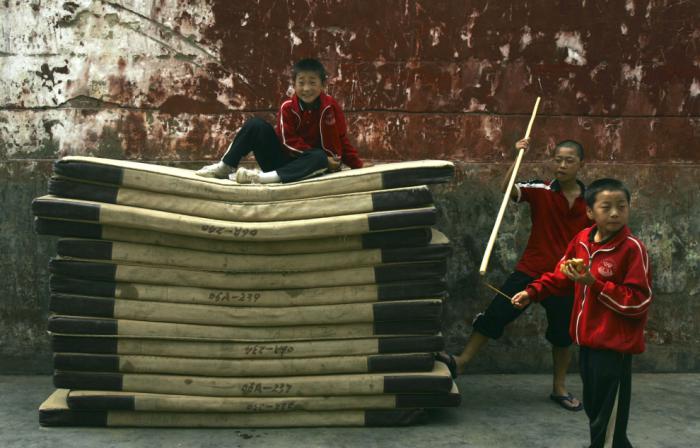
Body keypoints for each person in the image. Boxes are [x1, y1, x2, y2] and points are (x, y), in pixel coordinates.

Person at [441, 138, 591, 411]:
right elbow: (507, 188)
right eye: (558, 159)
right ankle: (461, 363)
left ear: (581, 164)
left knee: (562, 335)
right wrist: (517, 154)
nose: (562, 165)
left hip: (566, 276)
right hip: (531, 270)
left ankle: (559, 388)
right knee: (496, 314)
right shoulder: (541, 189)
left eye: (569, 160)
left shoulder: (590, 200)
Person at [512, 178, 652, 447]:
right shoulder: (582, 241)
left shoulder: (632, 249)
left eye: (621, 206)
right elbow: (561, 274)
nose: (614, 213)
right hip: (587, 342)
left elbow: (638, 302)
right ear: (590, 212)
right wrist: (533, 292)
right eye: (606, 207)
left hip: (615, 347)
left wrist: (594, 283)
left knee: (609, 422)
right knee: (596, 412)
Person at [195, 58, 363, 183]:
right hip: (281, 161)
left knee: (318, 156)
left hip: (314, 166)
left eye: (312, 83)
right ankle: (225, 166)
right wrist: (316, 156)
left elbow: (342, 138)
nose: (306, 88)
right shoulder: (287, 107)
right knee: (256, 125)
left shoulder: (331, 107)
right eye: (301, 83)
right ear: (294, 85)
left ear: (323, 85)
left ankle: (260, 178)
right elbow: (287, 142)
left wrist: (358, 166)